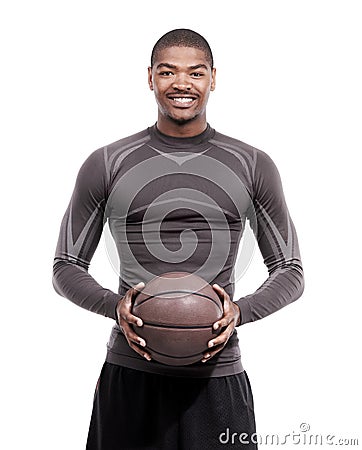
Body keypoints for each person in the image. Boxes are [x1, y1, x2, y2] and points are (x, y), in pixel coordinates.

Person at [52, 29, 305, 449]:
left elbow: (291, 271)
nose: (182, 83)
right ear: (150, 78)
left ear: (213, 79)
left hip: (218, 380)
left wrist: (238, 313)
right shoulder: (107, 162)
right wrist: (116, 307)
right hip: (130, 378)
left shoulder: (252, 164)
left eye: (196, 72)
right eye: (168, 72)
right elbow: (65, 266)